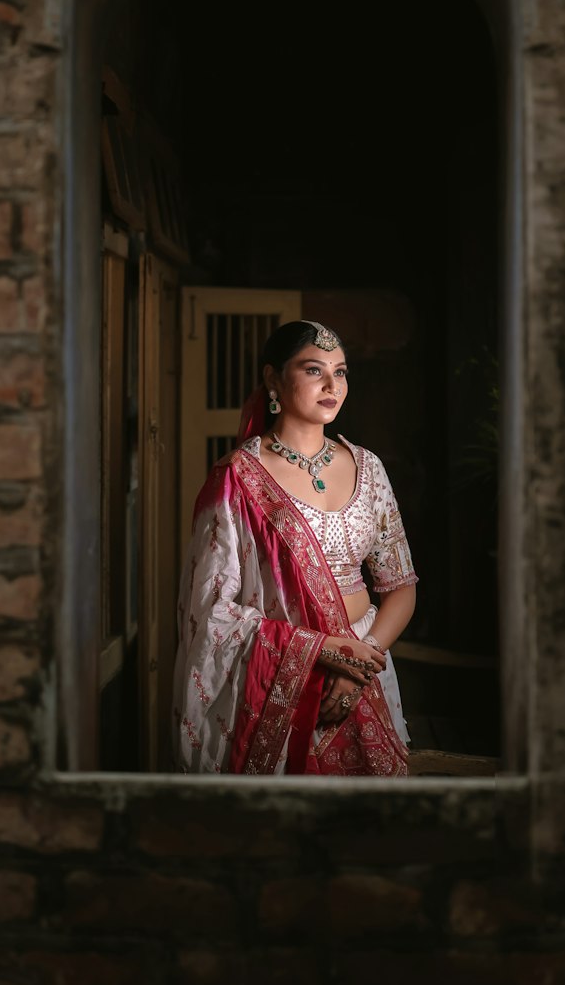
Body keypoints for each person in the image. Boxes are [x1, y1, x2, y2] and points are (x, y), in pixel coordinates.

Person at [172, 318, 418, 775]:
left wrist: (354, 670)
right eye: (313, 370)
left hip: (368, 669)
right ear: (272, 379)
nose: (332, 385)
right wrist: (319, 648)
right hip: (284, 684)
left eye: (340, 371)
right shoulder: (237, 480)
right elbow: (209, 609)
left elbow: (401, 587)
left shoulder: (369, 467)